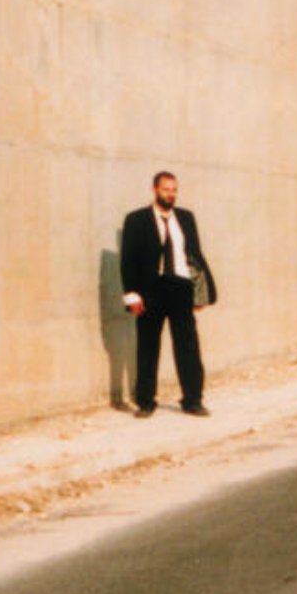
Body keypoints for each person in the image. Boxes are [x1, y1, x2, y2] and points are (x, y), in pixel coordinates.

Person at [119, 171, 217, 417]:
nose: (171, 194)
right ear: (155, 190)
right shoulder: (136, 220)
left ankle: (193, 399)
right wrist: (131, 294)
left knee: (188, 346)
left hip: (181, 287)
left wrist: (200, 293)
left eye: (174, 190)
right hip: (151, 290)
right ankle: (145, 402)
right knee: (148, 346)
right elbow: (128, 260)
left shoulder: (186, 218)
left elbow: (195, 255)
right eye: (166, 189)